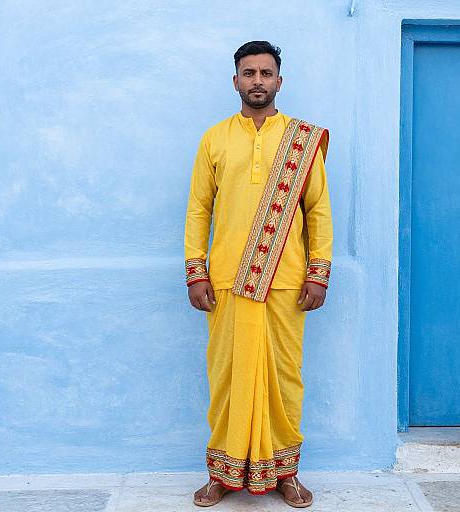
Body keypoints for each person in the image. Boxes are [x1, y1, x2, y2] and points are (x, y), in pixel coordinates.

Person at [184, 40, 333, 508]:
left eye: (266, 73)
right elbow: (198, 210)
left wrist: (318, 272)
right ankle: (222, 475)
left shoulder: (301, 140)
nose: (257, 81)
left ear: (279, 82)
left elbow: (318, 212)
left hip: (285, 281)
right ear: (236, 81)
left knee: (284, 379)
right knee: (227, 379)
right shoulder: (214, 138)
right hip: (228, 280)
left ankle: (287, 474)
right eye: (248, 73)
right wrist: (196, 271)